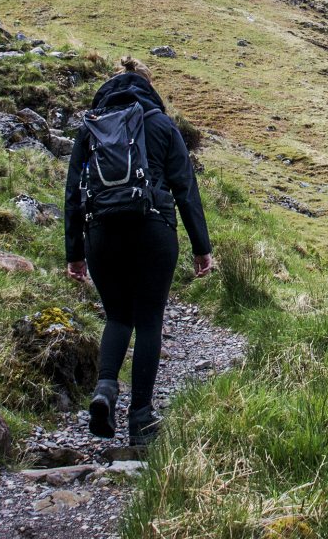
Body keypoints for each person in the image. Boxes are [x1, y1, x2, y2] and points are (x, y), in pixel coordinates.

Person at [64, 57, 213, 446]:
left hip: (101, 232)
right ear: (148, 87)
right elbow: (185, 187)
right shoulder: (162, 124)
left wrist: (74, 252)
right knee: (148, 320)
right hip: (153, 230)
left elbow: (73, 195)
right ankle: (141, 418)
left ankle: (106, 389)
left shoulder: (91, 128)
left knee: (117, 316)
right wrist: (202, 247)